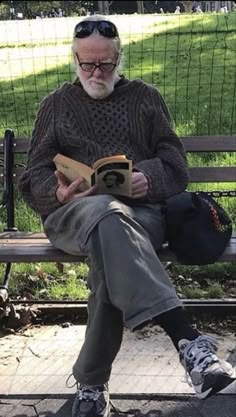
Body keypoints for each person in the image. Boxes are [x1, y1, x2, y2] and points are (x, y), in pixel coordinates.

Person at [19, 15, 235, 417]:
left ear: (120, 58)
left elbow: (175, 163)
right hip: (71, 216)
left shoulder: (145, 97)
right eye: (87, 63)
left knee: (111, 240)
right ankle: (187, 341)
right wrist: (57, 190)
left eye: (105, 63)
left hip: (140, 216)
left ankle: (91, 385)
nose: (96, 72)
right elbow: (32, 174)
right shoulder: (56, 104)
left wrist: (146, 179)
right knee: (104, 212)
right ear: (75, 58)